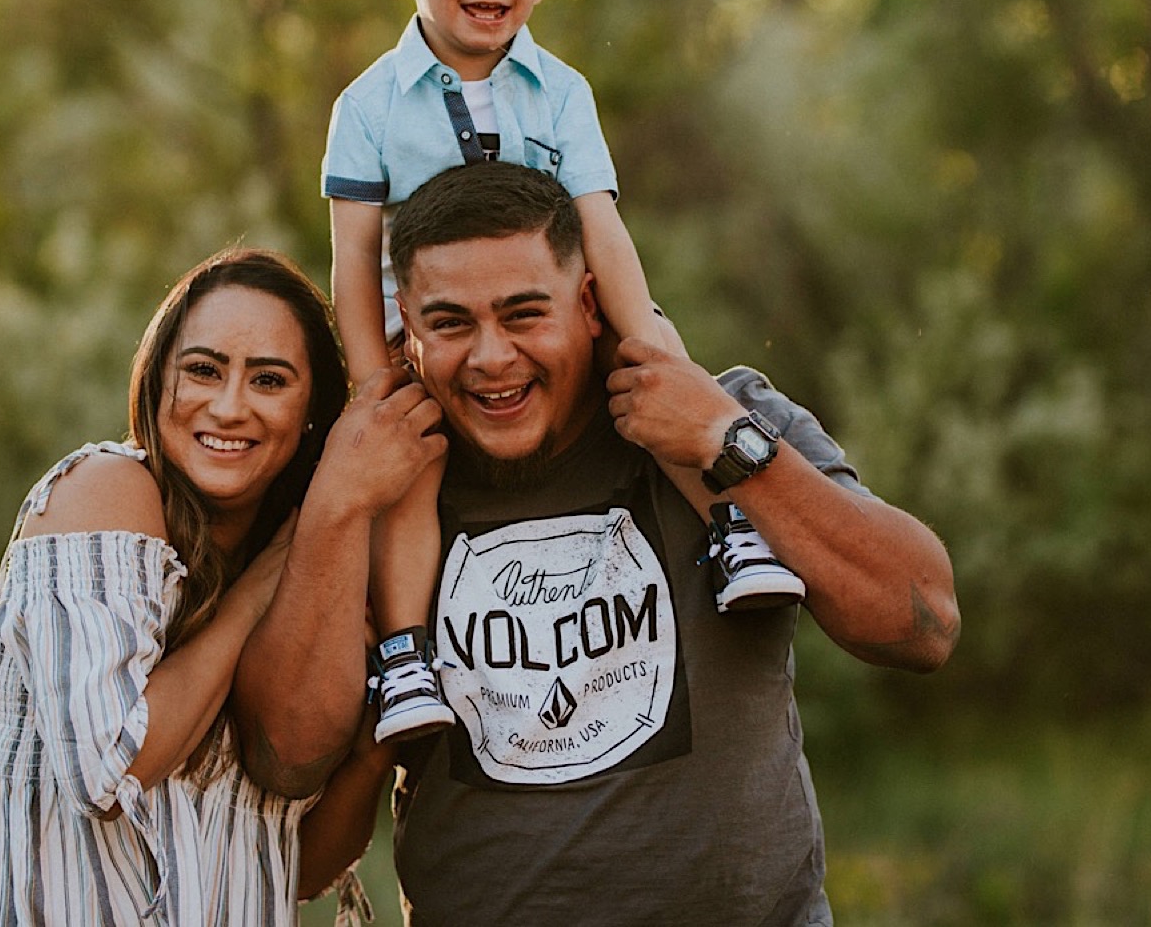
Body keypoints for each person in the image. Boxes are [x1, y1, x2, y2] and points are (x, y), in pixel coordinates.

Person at [237, 163, 961, 924]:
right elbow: (286, 759)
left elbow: (924, 623)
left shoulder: (724, 418)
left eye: (523, 315)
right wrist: (335, 505)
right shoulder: (382, 484)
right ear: (405, 332)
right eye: (451, 323)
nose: (491, 357)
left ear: (587, 303)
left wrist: (725, 441)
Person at [321, 0, 802, 746]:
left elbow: (599, 225)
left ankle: (731, 528)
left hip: (553, 312)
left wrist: (643, 331)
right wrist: (368, 378)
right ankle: (403, 657)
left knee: (658, 378)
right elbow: (353, 258)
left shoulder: (561, 94)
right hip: (426, 332)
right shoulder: (369, 106)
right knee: (409, 461)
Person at [0, 249, 442, 926]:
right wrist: (255, 596)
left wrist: (370, 748)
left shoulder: (309, 572)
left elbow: (290, 866)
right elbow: (108, 770)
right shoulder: (104, 493)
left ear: (312, 413)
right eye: (203, 370)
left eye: (269, 380)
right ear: (158, 381)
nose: (228, 406)